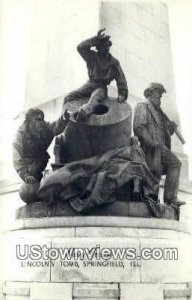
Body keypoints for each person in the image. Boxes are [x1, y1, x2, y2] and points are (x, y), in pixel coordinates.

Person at [133, 82, 184, 207]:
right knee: (153, 171)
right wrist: (151, 142)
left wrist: (171, 129)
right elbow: (138, 127)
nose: (160, 98)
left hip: (161, 147)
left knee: (175, 163)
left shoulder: (159, 112)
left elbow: (164, 132)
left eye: (161, 96)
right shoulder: (142, 106)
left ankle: (170, 198)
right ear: (150, 93)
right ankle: (150, 198)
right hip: (149, 147)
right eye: (158, 94)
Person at [63, 29, 128, 120]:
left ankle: (83, 112)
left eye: (107, 46)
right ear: (98, 48)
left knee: (94, 99)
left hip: (101, 87)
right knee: (68, 97)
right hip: (90, 84)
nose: (105, 49)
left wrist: (122, 93)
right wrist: (95, 39)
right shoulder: (91, 56)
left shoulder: (114, 63)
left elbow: (121, 79)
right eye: (102, 47)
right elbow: (80, 47)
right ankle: (65, 118)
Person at [13, 108, 70, 186]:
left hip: (40, 159)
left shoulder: (44, 126)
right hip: (27, 162)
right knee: (30, 182)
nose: (41, 122)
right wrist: (25, 175)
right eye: (38, 119)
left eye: (42, 119)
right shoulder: (20, 135)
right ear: (30, 121)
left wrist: (63, 118)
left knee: (37, 176)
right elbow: (17, 158)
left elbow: (55, 127)